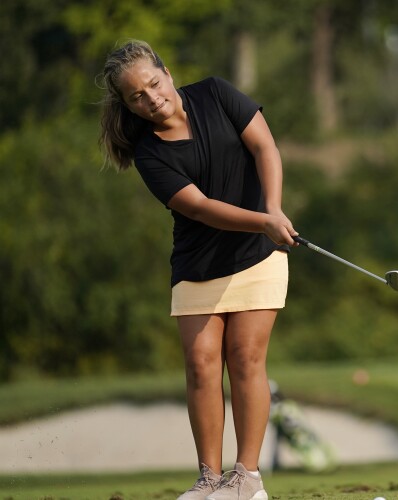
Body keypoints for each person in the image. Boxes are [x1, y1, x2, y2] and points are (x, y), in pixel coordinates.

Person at [99, 40, 299, 500]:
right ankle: (210, 479)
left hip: (257, 254)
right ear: (127, 104)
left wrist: (273, 208)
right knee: (200, 366)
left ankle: (246, 478)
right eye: (137, 97)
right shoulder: (150, 154)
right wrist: (265, 221)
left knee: (246, 359)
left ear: (167, 73)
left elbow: (265, 146)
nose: (151, 98)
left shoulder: (216, 93)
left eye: (153, 84)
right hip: (198, 263)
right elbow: (203, 209)